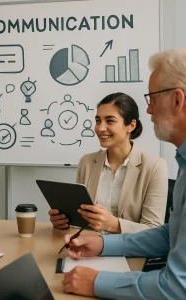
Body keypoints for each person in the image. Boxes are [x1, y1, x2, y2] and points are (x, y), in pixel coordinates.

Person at [62, 48, 186, 299]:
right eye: (98, 120)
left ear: (177, 99)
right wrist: (103, 244)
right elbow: (168, 233)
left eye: (152, 98)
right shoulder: (182, 163)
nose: (149, 110)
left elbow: (177, 287)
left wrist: (97, 282)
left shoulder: (157, 164)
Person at [49, 93, 168, 233]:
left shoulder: (154, 166)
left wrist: (113, 224)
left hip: (128, 251)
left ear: (131, 125)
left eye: (110, 121)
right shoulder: (87, 162)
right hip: (88, 246)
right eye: (98, 120)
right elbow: (80, 219)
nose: (100, 128)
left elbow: (154, 230)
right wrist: (64, 221)